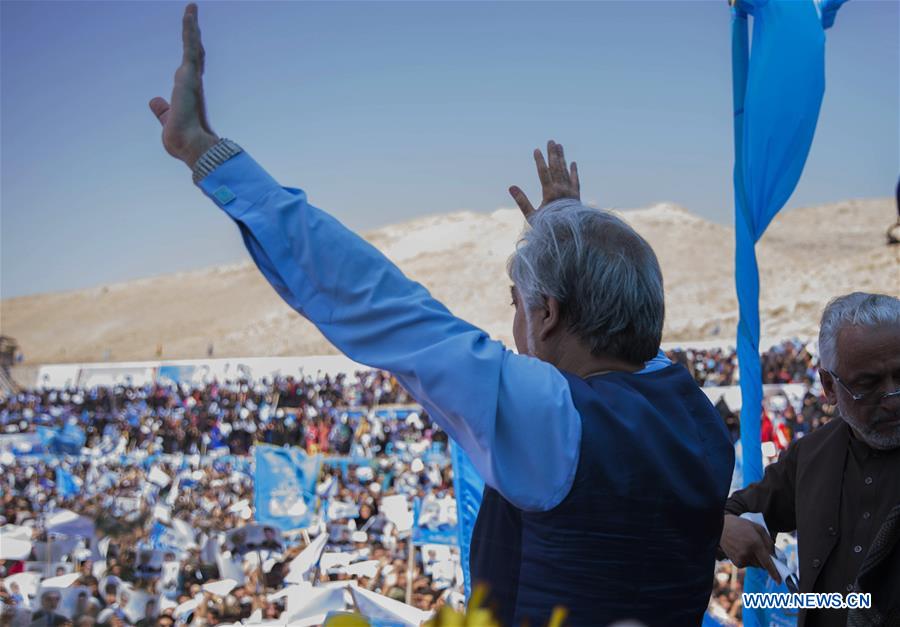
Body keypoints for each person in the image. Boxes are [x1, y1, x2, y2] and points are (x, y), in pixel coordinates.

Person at [149, 5, 733, 625]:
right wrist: (572, 239)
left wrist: (206, 152)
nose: (515, 326)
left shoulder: (552, 419)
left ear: (549, 314)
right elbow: (631, 353)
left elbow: (372, 297)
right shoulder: (698, 420)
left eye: (518, 304)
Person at [719, 292, 900, 627]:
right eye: (868, 384)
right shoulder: (811, 455)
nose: (892, 399)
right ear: (829, 386)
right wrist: (722, 528)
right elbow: (734, 512)